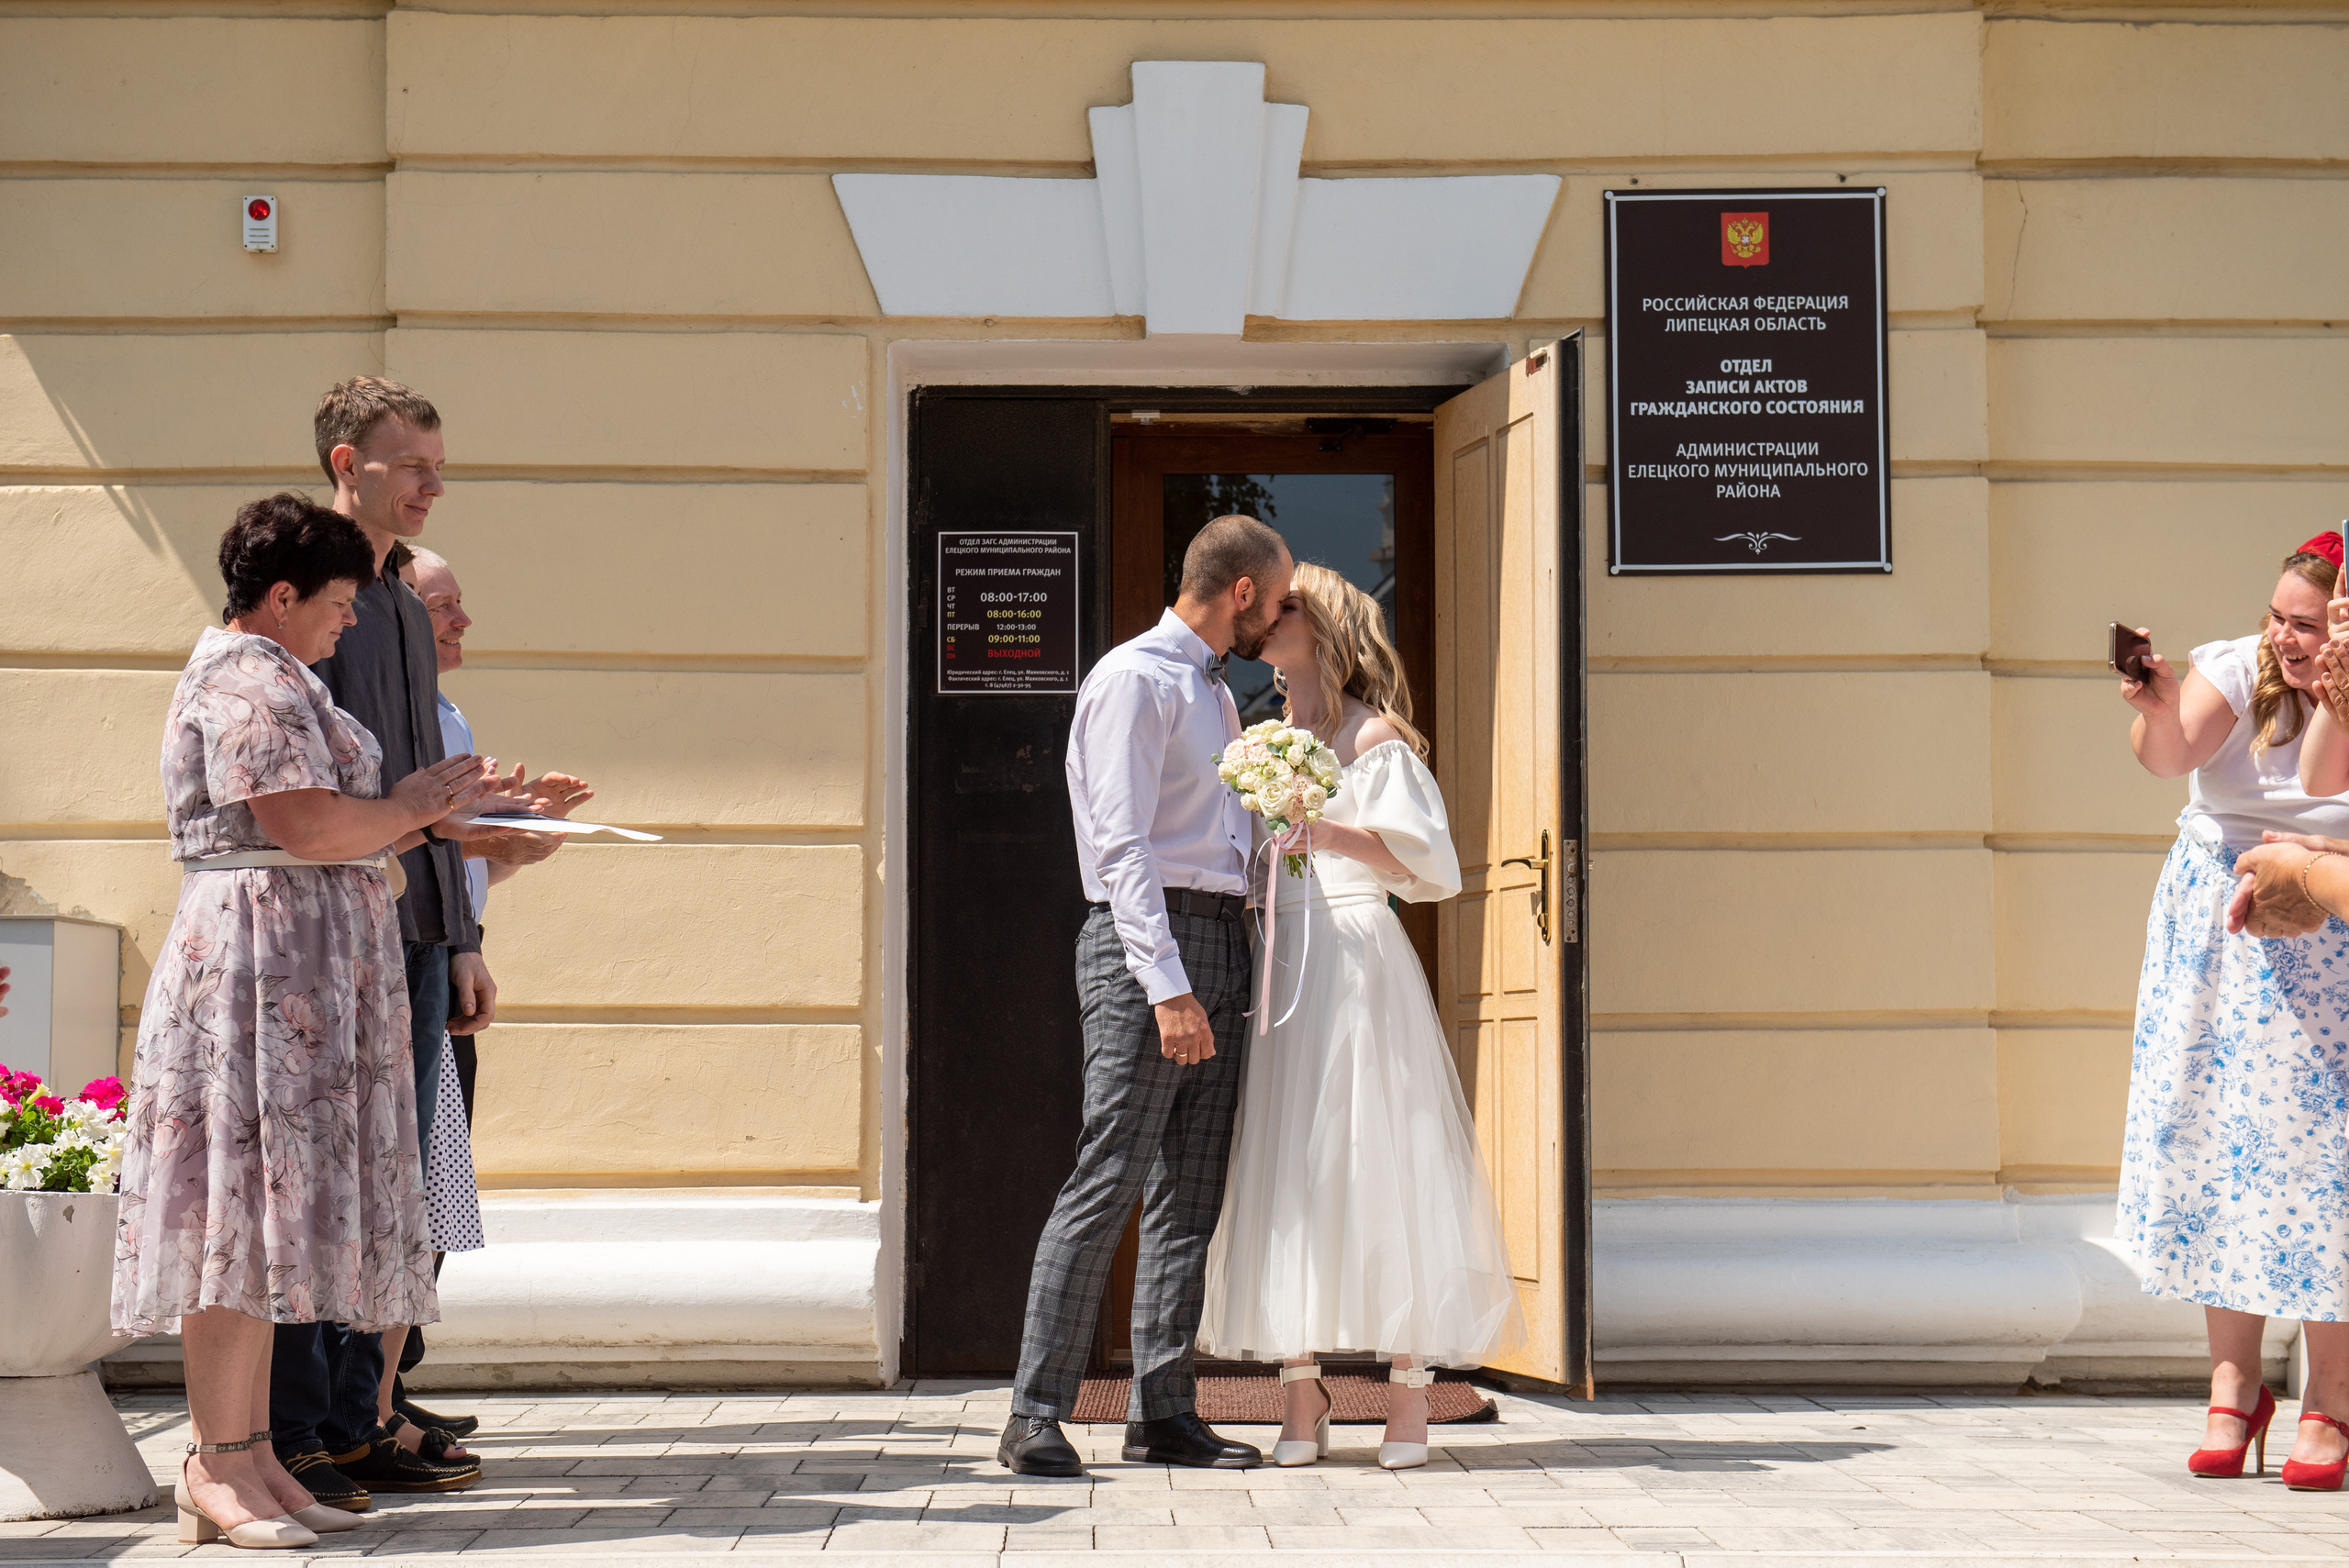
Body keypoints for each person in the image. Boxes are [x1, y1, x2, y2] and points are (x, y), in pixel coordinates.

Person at [110, 495, 497, 1549]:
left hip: (294, 966)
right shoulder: (245, 677)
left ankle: (249, 1454)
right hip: (256, 970)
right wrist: (414, 805)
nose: (351, 621)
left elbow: (335, 819)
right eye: (334, 601)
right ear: (279, 597)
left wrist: (446, 812)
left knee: (264, 1223)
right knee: (234, 1217)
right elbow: (307, 821)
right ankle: (214, 1457)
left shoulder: (275, 672)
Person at [1197, 562, 1523, 1470]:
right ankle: (1301, 1396)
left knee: (1383, 1156)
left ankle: (1409, 1396)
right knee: (1289, 1166)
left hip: (1356, 953)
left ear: (1329, 627)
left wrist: (1325, 827)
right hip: (1284, 957)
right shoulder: (1259, 736)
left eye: (1288, 606)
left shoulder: (1375, 737)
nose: (1270, 617)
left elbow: (1431, 868)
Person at [997, 515, 1294, 1478]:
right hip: (1143, 947)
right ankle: (1034, 1411)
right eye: (1279, 597)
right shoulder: (1134, 677)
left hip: (1221, 937)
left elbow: (1220, 838)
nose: (1281, 614)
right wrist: (1165, 985)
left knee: (1188, 1193)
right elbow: (1121, 845)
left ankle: (1163, 1409)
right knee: (1109, 1175)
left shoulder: (1221, 697)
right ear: (1241, 590)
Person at [268, 378, 518, 1506]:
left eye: (436, 464)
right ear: (345, 462)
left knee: (394, 1187)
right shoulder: (305, 597)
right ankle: (296, 1425)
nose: (430, 484)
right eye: (409, 464)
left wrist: (461, 931)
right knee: (322, 1182)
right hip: (327, 931)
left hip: (415, 931)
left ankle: (360, 1412)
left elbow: (431, 789)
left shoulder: (407, 608)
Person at [2114, 531, 2349, 1492]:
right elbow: (2168, 758)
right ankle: (2231, 1382)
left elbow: (2320, 784)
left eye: (2307, 623)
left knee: (2326, 1161)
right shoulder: (2234, 665)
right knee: (2220, 1152)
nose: (2284, 637)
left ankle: (2328, 1397)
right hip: (2220, 927)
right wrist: (2157, 703)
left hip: (2330, 921)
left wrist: (2334, 684)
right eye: (2278, 615)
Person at [384, 545, 588, 1440]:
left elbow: (445, 860)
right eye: (443, 605)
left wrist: (503, 843)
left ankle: (388, 1385)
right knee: (410, 1184)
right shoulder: (395, 717)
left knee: (433, 1186)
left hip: (447, 956)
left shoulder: (446, 712)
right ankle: (372, 1397)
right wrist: (492, 841)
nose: (462, 621)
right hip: (407, 964)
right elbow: (399, 850)